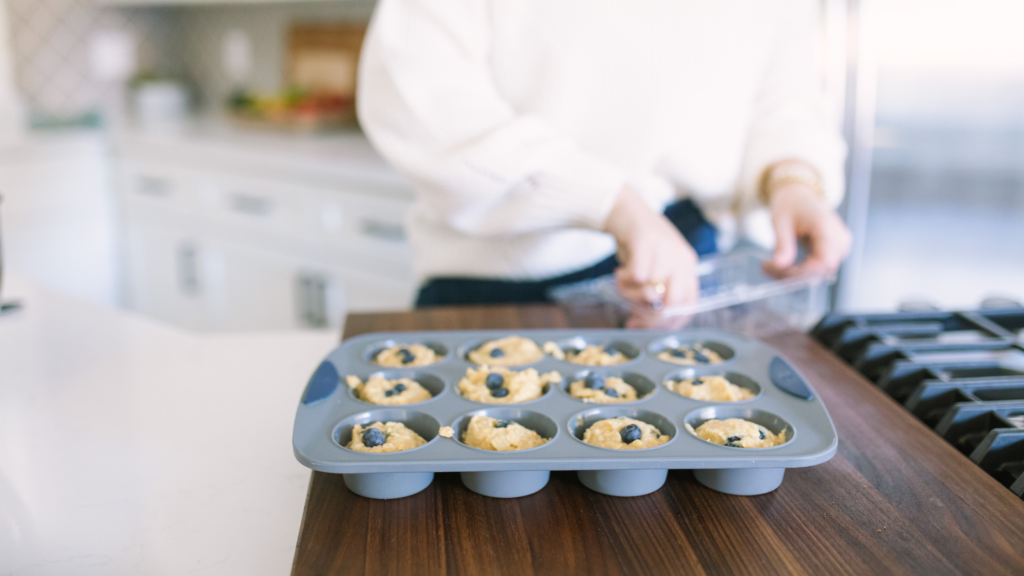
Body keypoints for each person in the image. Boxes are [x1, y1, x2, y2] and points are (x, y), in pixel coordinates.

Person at [357, 0, 851, 327]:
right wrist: (612, 202)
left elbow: (784, 95)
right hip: (501, 286)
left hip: (687, 267)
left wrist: (792, 178)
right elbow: (416, 93)